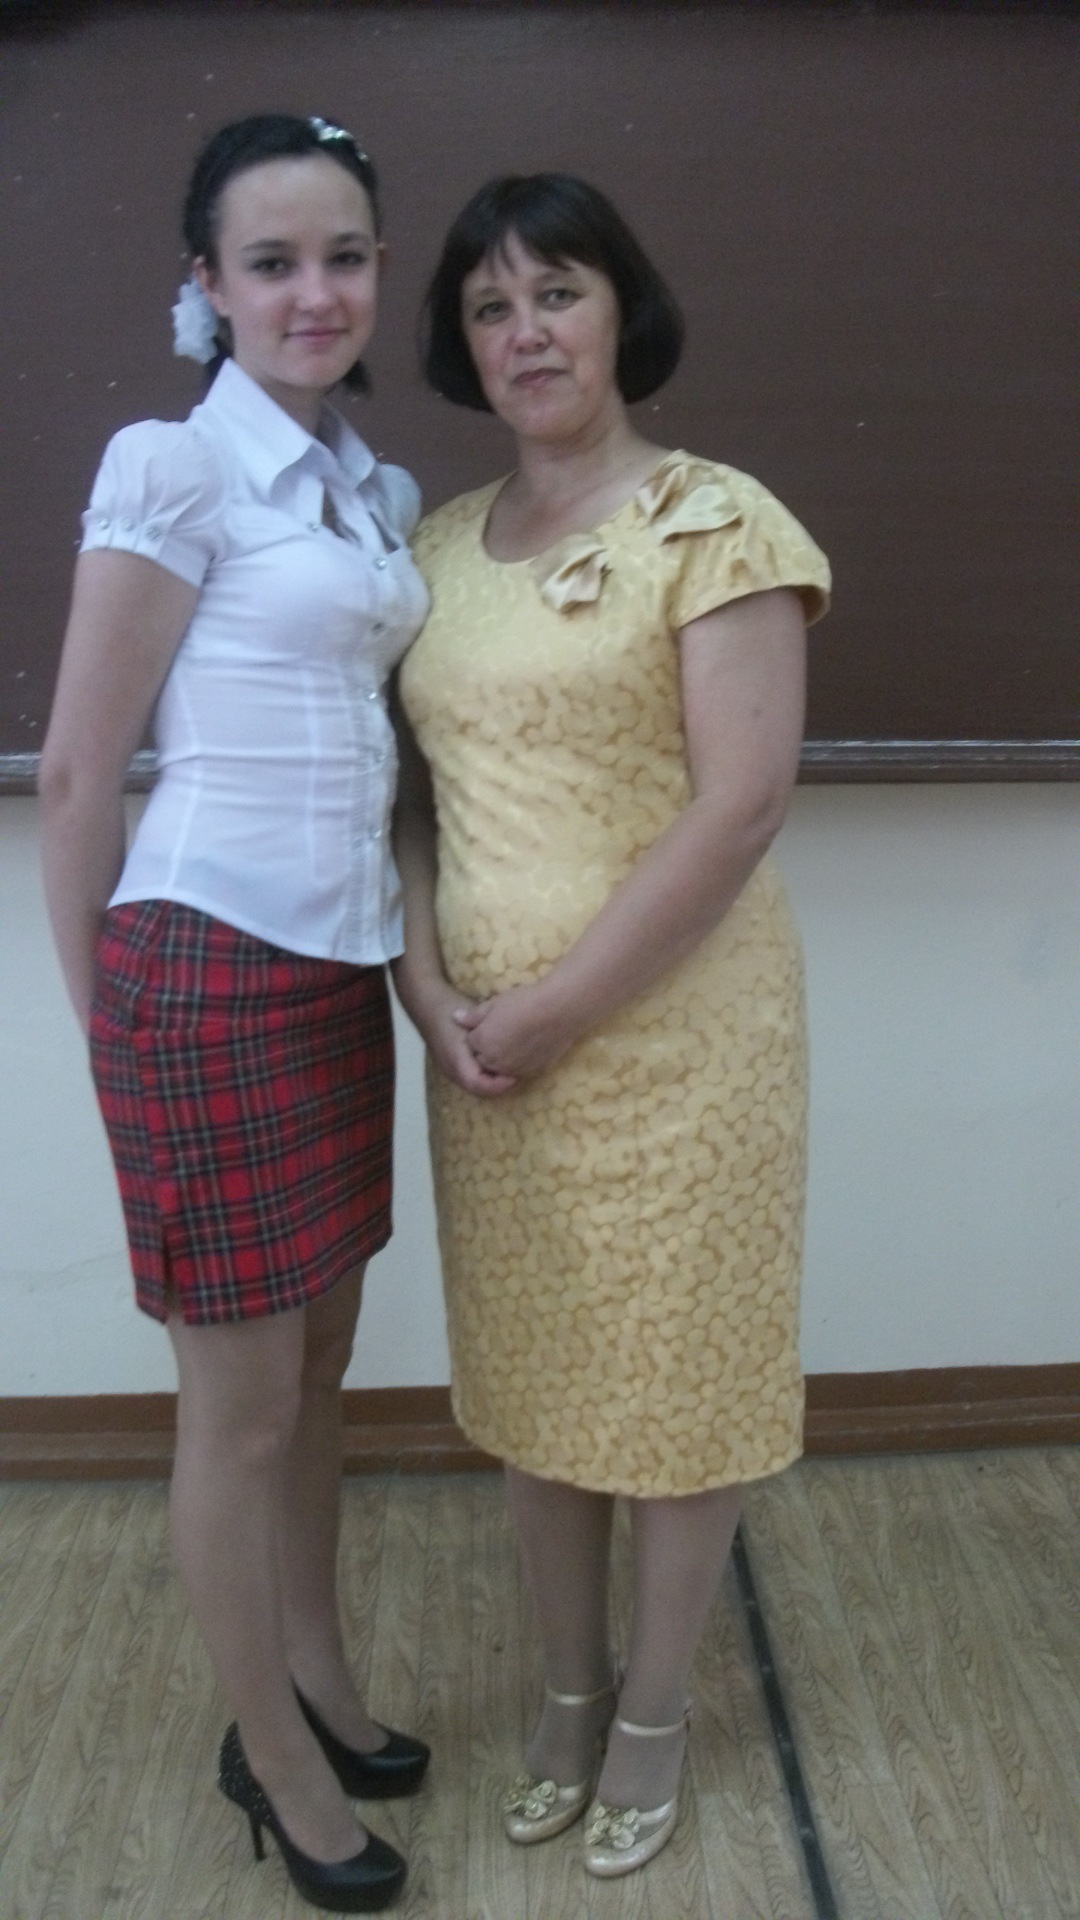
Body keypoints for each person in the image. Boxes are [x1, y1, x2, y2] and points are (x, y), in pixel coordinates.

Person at [393, 172, 830, 1880]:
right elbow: (405, 801)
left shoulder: (717, 522)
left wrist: (560, 1006)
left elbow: (742, 804)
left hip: (674, 1040)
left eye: (556, 293)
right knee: (540, 1372)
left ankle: (654, 1708)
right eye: (490, 307)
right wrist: (426, 988)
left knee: (674, 1379)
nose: (526, 333)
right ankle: (566, 1689)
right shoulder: (433, 548)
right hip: (488, 1052)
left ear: (620, 309)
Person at [39, 114, 431, 1915]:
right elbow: (77, 775)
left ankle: (320, 1678)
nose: (314, 292)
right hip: (202, 972)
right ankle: (270, 1760)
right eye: (271, 263)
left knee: (320, 1370)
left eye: (343, 256)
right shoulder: (175, 465)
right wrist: (104, 1037)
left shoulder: (370, 488)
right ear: (207, 285)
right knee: (241, 1411)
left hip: (333, 969)